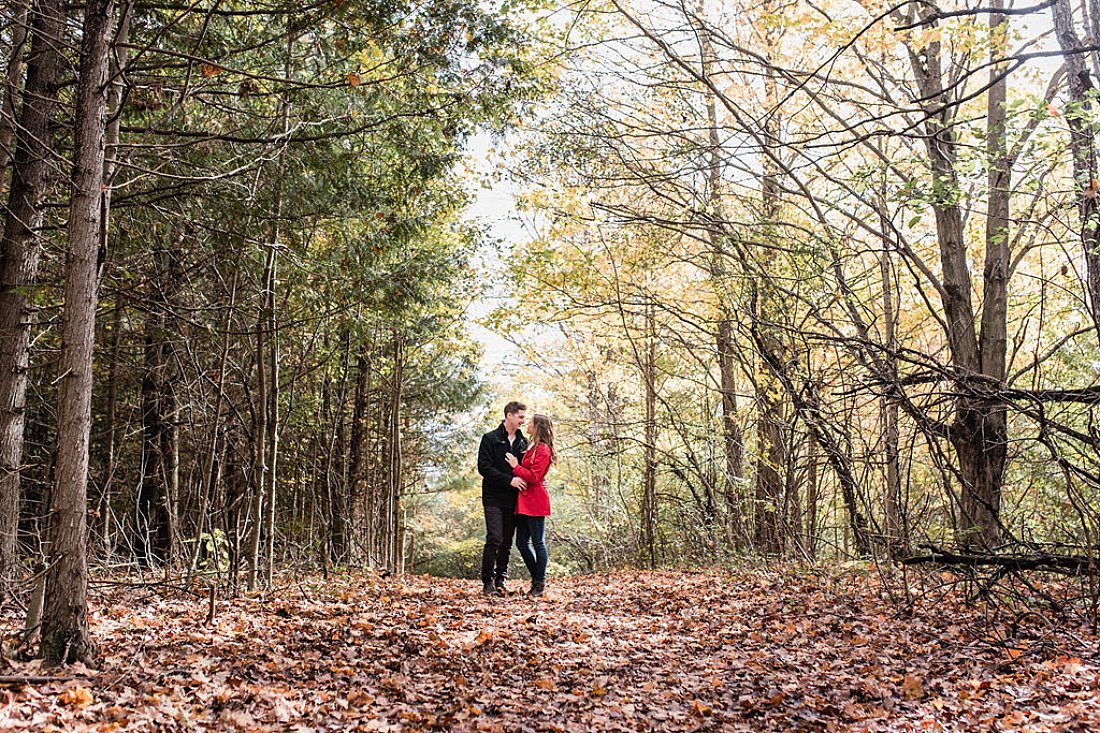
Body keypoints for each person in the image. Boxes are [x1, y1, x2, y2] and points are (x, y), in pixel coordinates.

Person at [476, 401, 528, 596]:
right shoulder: (490, 438)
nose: (523, 421)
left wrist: (539, 481)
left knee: (507, 541)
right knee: (495, 538)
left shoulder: (523, 442)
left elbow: (528, 469)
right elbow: (484, 468)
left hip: (515, 499)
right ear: (509, 415)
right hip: (493, 497)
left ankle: (501, 580)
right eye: (520, 417)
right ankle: (487, 582)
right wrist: (509, 481)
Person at [507, 413, 554, 598]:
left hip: (535, 500)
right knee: (521, 542)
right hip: (525, 501)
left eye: (531, 422)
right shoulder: (532, 446)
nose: (527, 424)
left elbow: (534, 477)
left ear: (538, 427)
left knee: (538, 542)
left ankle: (539, 583)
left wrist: (515, 466)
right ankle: (537, 579)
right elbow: (535, 474)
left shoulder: (543, 449)